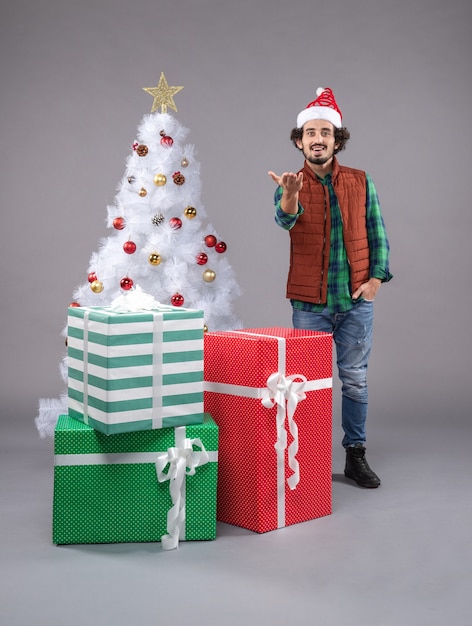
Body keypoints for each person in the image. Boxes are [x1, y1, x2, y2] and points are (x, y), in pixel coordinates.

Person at [268, 87, 392, 489]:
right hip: (310, 304)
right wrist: (289, 195)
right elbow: (285, 220)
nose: (317, 139)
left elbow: (377, 232)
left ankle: (355, 455)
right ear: (299, 141)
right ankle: (308, 459)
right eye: (310, 133)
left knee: (354, 379)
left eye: (325, 132)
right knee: (306, 386)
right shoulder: (291, 183)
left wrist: (375, 280)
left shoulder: (361, 181)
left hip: (356, 302)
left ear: (337, 140)